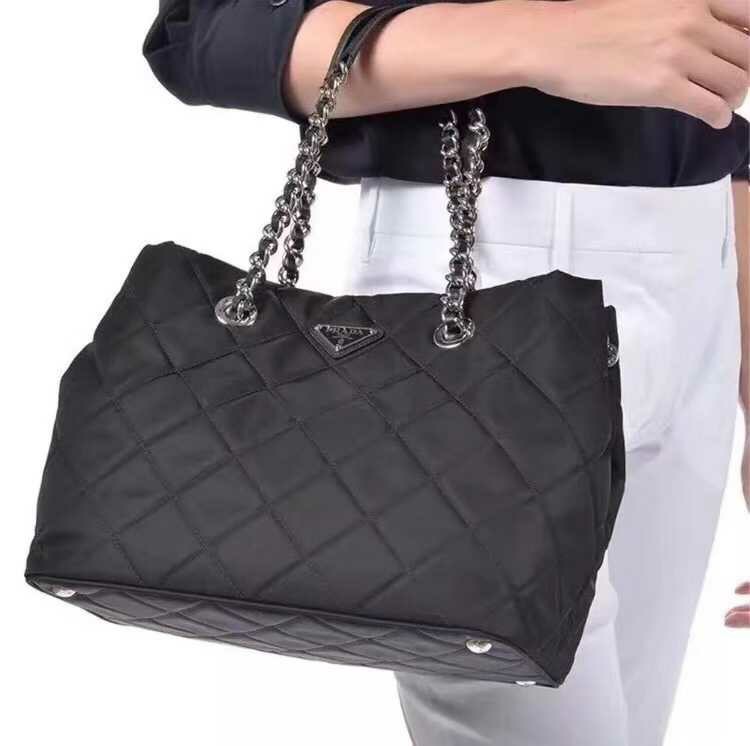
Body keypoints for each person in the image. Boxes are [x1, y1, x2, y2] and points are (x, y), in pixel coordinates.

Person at [144, 1, 749, 744]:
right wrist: (546, 39)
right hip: (474, 277)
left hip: (704, 263)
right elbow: (207, 32)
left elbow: (720, 109)